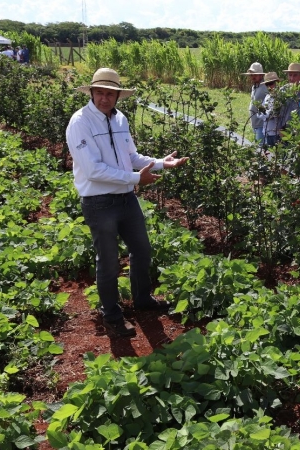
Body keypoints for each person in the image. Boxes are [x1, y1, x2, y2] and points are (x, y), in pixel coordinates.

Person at [66, 68, 189, 337]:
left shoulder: (120, 119)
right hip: (98, 202)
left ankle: (142, 300)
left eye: (110, 93)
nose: (104, 98)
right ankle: (111, 316)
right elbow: (93, 170)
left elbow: (130, 156)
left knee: (142, 250)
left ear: (118, 95)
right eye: (100, 92)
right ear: (91, 92)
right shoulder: (80, 123)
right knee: (108, 261)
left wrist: (160, 163)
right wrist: (135, 179)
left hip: (125, 198)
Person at [242, 62, 268, 143]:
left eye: (255, 75)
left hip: (261, 124)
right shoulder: (255, 86)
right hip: (255, 123)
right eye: (251, 75)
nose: (252, 77)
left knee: (260, 149)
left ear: (261, 75)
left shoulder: (265, 87)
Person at [257, 72, 282, 148]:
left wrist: (266, 114)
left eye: (271, 83)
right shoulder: (267, 96)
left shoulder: (281, 97)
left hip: (276, 133)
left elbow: (272, 113)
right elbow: (260, 114)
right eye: (267, 84)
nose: (269, 87)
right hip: (267, 132)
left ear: (277, 83)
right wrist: (266, 114)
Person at [278, 62, 300, 131]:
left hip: (298, 130)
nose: (291, 78)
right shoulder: (283, 90)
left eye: (295, 75)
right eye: (290, 75)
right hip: (283, 129)